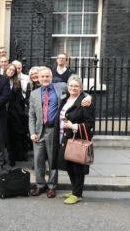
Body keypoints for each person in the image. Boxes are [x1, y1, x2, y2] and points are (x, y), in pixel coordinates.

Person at [28, 67, 91, 198]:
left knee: (53, 160)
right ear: (38, 79)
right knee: (38, 161)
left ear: (51, 77)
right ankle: (40, 185)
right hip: (39, 132)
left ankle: (52, 187)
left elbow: (77, 90)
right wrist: (32, 132)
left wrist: (88, 96)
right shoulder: (34, 94)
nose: (45, 79)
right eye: (42, 77)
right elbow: (31, 115)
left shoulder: (61, 87)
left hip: (53, 130)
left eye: (47, 76)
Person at [52, 74, 95, 204]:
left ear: (80, 88)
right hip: (63, 138)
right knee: (69, 166)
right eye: (71, 85)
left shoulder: (84, 102)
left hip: (76, 139)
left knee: (77, 168)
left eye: (76, 86)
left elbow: (90, 123)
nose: (73, 88)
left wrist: (73, 126)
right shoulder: (65, 99)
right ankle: (74, 190)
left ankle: (77, 194)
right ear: (68, 87)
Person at [4, 64, 27, 166]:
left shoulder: (17, 83)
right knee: (2, 136)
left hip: (12, 113)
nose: (11, 71)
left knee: (12, 135)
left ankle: (12, 157)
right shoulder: (0, 80)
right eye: (9, 69)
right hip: (1, 112)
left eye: (13, 70)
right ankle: (2, 158)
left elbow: (17, 101)